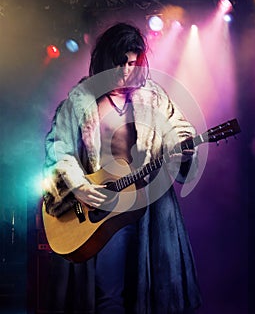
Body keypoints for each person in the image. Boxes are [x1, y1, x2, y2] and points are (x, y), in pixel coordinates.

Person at [42, 22, 202, 314]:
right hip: (104, 212)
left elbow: (178, 128)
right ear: (104, 60)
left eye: (132, 63)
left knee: (153, 293)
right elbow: (57, 150)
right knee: (109, 295)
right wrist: (79, 186)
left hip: (148, 210)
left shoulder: (154, 98)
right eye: (120, 63)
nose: (127, 70)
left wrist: (182, 144)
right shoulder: (79, 103)